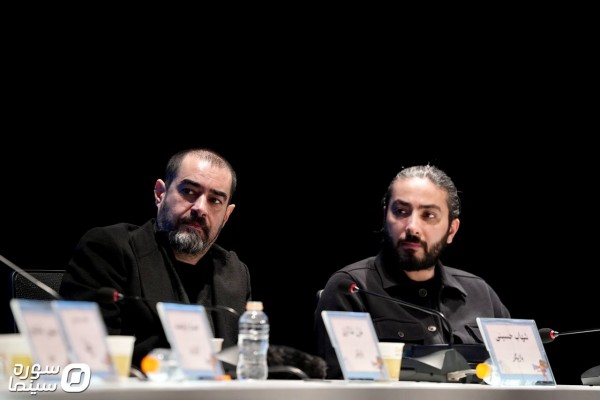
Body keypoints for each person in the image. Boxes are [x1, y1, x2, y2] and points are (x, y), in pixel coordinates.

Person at [60, 148, 251, 370]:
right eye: (189, 191)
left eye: (215, 200)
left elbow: (243, 363)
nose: (200, 208)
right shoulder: (110, 249)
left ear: (226, 215)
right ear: (160, 193)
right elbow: (87, 358)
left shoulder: (235, 273)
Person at [314, 165, 510, 379]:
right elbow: (344, 386)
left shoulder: (480, 294)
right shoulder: (351, 289)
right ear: (384, 217)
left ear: (451, 230)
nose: (412, 227)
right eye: (401, 212)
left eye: (429, 215)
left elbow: (517, 374)